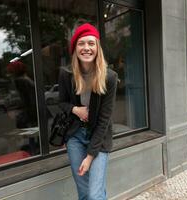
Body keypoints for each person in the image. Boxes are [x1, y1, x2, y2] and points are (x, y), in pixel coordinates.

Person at [58, 23, 118, 200]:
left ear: (97, 48)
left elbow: (104, 120)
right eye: (81, 43)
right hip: (75, 136)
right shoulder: (65, 74)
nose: (86, 48)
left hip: (99, 137)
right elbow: (61, 102)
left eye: (91, 43)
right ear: (75, 48)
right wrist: (75, 109)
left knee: (94, 194)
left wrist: (90, 156)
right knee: (84, 193)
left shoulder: (110, 77)